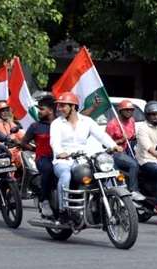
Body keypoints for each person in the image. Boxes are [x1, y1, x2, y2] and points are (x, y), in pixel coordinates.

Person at [50, 92, 120, 220]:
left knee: (103, 171)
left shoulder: (87, 121)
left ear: (73, 107)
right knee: (65, 175)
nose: (59, 108)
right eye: (59, 106)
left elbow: (101, 135)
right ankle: (63, 210)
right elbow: (54, 141)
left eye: (63, 106)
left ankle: (102, 203)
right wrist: (60, 152)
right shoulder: (56, 123)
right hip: (63, 160)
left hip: (82, 159)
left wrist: (113, 145)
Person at [21, 94, 56, 217]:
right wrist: (36, 149)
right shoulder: (35, 126)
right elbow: (23, 143)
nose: (39, 112)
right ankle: (44, 200)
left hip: (60, 158)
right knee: (48, 169)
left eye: (41, 109)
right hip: (43, 159)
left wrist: (94, 107)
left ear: (50, 110)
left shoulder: (61, 124)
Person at [105, 100, 145, 201]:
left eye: (131, 110)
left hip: (129, 149)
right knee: (133, 164)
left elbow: (132, 136)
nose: (129, 112)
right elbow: (105, 144)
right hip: (115, 153)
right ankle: (133, 190)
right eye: (126, 110)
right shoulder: (112, 124)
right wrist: (121, 140)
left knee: (143, 163)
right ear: (120, 111)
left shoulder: (132, 120)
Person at [136, 101, 157, 218]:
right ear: (147, 115)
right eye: (152, 114)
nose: (155, 117)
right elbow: (149, 148)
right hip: (146, 160)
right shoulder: (143, 128)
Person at [0, 101, 25, 166]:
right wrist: (10, 141)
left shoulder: (10, 123)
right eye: (3, 111)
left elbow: (20, 134)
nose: (5, 113)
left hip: (16, 151)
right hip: (4, 153)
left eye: (7, 111)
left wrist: (28, 138)